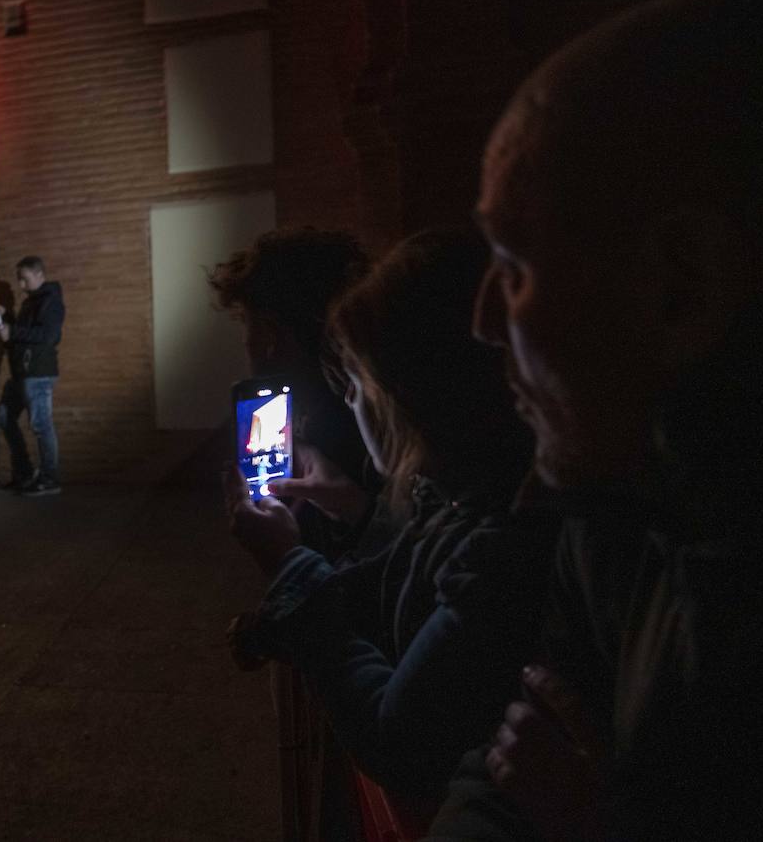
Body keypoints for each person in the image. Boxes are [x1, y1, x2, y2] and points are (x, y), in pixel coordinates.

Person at [426, 0, 763, 841]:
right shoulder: (615, 509)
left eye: (515, 266)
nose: (480, 323)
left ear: (684, 287)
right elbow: (501, 774)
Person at [225, 229, 555, 834]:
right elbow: (397, 579)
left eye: (357, 385)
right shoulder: (448, 497)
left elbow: (396, 737)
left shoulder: (503, 542)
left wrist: (290, 565)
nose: (349, 402)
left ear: (410, 398)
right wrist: (352, 509)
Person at [210, 227, 379, 560]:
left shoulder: (339, 435)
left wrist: (283, 562)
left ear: (271, 335)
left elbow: (354, 597)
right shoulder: (359, 413)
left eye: (247, 323)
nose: (246, 341)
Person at [0, 255, 65, 496]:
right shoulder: (31, 302)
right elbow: (25, 334)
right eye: (19, 280)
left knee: (41, 424)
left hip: (39, 372)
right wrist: (7, 319)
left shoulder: (51, 301)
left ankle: (49, 478)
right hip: (23, 373)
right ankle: (24, 473)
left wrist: (12, 330)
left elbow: (47, 335)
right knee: (4, 416)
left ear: (39, 275)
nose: (21, 285)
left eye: (24, 280)